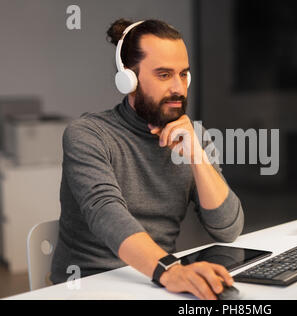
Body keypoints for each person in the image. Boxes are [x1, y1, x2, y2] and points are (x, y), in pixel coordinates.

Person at [50, 18, 244, 300]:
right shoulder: (88, 135)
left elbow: (228, 229)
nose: (179, 88)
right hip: (90, 287)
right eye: (164, 75)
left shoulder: (192, 136)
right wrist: (170, 270)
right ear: (127, 80)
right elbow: (106, 213)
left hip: (154, 284)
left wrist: (197, 157)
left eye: (183, 74)